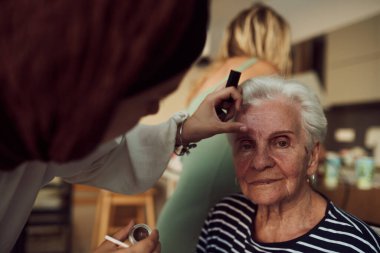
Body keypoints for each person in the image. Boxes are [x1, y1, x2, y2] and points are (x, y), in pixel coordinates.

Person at [0, 1, 248, 252]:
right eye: (151, 99)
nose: (151, 110)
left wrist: (185, 129)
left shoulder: (36, 121)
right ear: (98, 88)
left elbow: (107, 154)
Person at [157, 4, 291, 253]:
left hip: (175, 220)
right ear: (277, 40)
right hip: (210, 231)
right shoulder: (267, 74)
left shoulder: (210, 77)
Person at [196, 77, 380, 252]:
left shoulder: (355, 246)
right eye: (246, 145)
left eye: (281, 143)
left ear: (312, 157)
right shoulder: (222, 219)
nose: (260, 163)